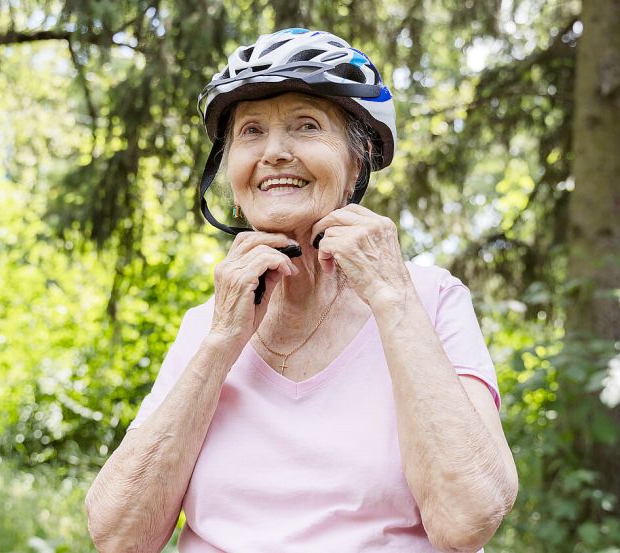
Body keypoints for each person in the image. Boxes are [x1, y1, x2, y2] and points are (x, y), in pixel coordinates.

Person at [85, 28, 518, 553]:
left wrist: (391, 298)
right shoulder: (208, 324)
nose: (273, 152)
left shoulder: (427, 298)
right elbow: (117, 536)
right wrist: (222, 342)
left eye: (305, 126)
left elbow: (469, 517)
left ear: (357, 161)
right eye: (250, 132)